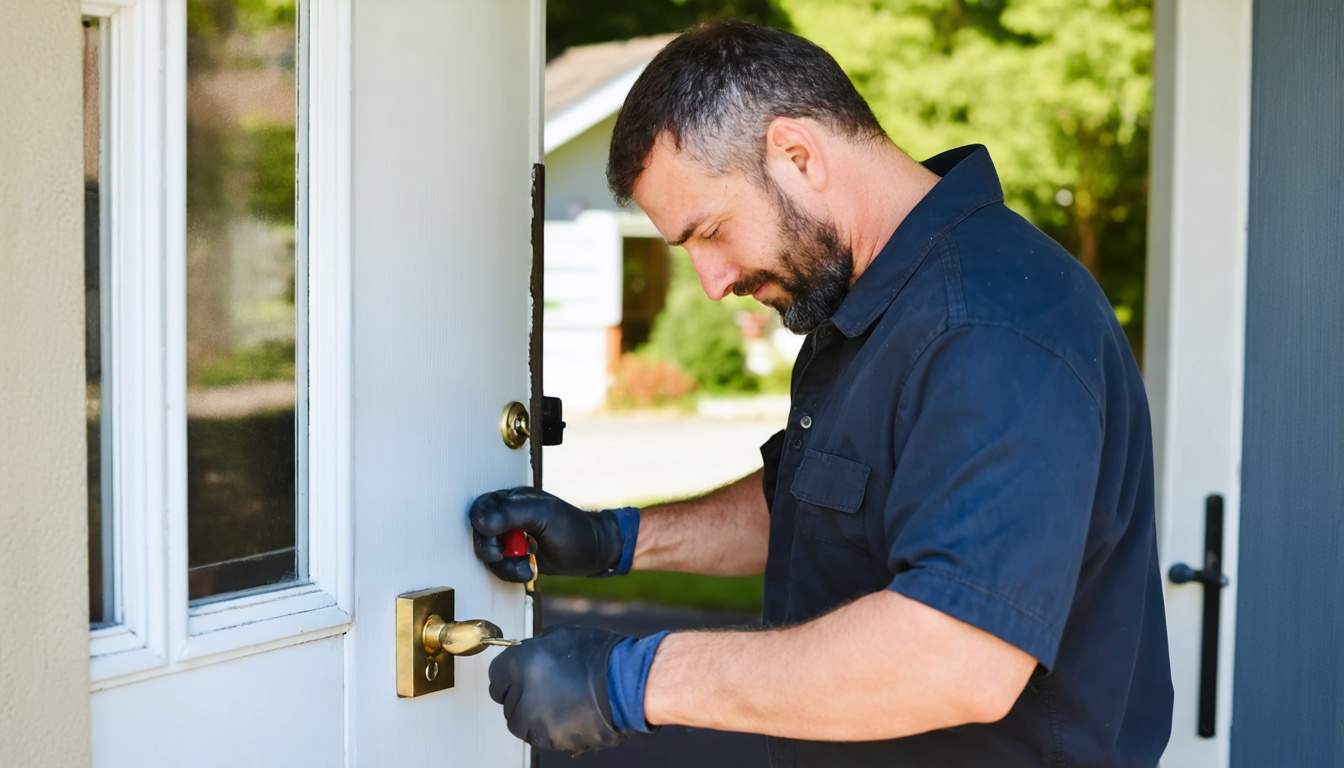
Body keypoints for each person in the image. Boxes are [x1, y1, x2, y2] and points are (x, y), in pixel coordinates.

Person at [469, 19, 1173, 767]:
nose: (713, 283)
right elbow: (818, 504)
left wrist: (630, 680)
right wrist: (616, 540)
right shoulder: (872, 304)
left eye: (710, 232)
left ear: (797, 155)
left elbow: (956, 658)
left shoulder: (992, 325)